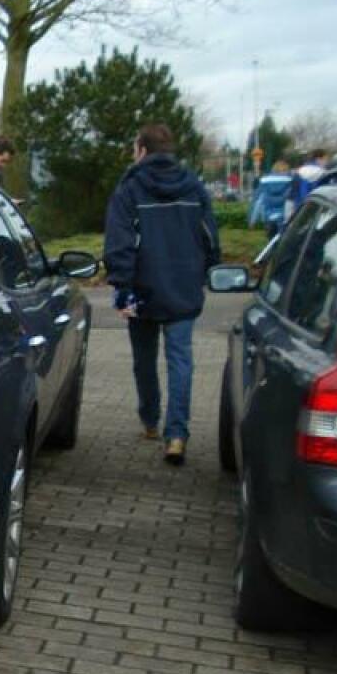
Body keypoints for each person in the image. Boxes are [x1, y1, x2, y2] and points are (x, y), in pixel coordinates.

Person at [104, 123, 220, 466]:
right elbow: (210, 237)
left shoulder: (129, 189)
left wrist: (122, 287)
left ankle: (150, 420)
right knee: (181, 360)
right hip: (184, 287)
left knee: (144, 358)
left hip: (142, 289)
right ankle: (177, 435)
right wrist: (207, 268)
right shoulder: (194, 186)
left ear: (142, 149)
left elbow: (119, 242)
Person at [248, 158, 292, 238]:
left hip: (268, 217)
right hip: (284, 217)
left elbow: (258, 202)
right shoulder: (290, 182)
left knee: (271, 242)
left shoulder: (264, 182)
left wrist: (252, 220)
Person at [289, 148, 329, 213]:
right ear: (319, 159)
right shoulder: (324, 173)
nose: (326, 162)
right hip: (316, 208)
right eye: (325, 159)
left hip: (299, 208)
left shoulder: (299, 170)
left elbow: (294, 191)